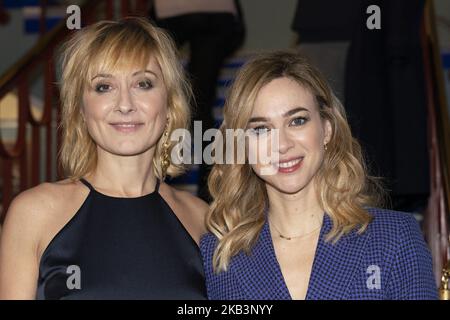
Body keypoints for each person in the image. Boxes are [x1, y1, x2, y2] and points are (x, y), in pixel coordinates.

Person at [200, 51, 438, 300]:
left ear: (327, 130)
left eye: (297, 121)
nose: (282, 145)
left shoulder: (394, 238)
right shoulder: (219, 255)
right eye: (261, 129)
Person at [0, 17, 208, 299]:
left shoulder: (201, 219)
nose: (124, 104)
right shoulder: (34, 213)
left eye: (143, 84)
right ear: (81, 110)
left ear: (170, 105)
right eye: (103, 87)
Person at [150, 0, 246, 202]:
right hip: (215, 12)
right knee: (201, 103)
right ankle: (208, 188)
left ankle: (157, 179)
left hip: (175, 11)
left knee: (162, 99)